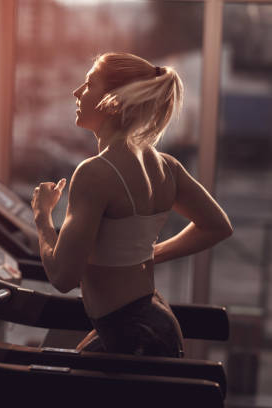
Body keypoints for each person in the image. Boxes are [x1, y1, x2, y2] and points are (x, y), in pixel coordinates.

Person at [30, 52, 233, 358]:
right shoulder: (166, 167)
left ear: (114, 100)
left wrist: (42, 215)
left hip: (133, 334)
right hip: (148, 320)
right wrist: (150, 253)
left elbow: (62, 277)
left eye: (88, 84)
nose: (76, 92)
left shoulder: (95, 173)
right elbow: (216, 226)